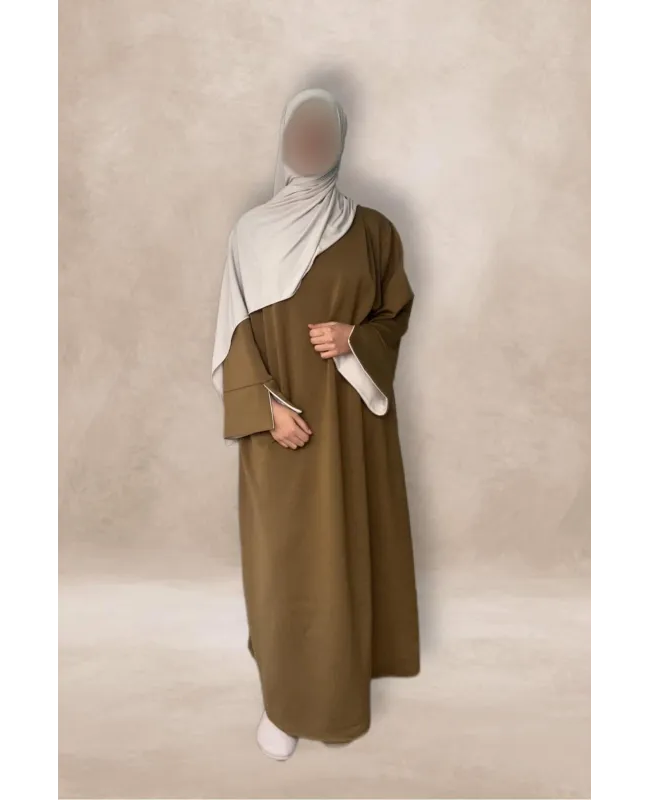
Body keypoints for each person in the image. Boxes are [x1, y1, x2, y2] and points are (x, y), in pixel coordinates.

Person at [211, 88, 420, 761]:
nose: (309, 137)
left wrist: (355, 338)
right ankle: (284, 705)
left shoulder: (374, 231)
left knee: (345, 563)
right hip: (281, 433)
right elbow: (232, 336)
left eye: (322, 127)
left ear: (341, 139)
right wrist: (267, 409)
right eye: (299, 126)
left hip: (351, 430)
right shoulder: (251, 233)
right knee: (284, 570)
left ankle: (338, 698)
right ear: (282, 134)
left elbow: (393, 316)